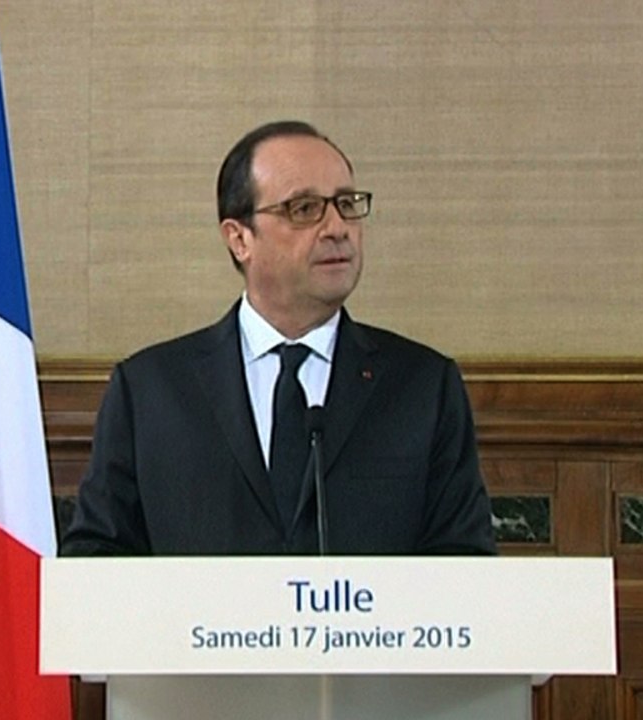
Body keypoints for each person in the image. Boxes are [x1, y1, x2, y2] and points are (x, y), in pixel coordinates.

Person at [60, 120, 494, 555]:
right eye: (304, 209)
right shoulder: (151, 390)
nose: (337, 228)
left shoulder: (422, 386)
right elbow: (98, 557)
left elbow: (463, 562)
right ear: (239, 239)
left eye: (346, 204)